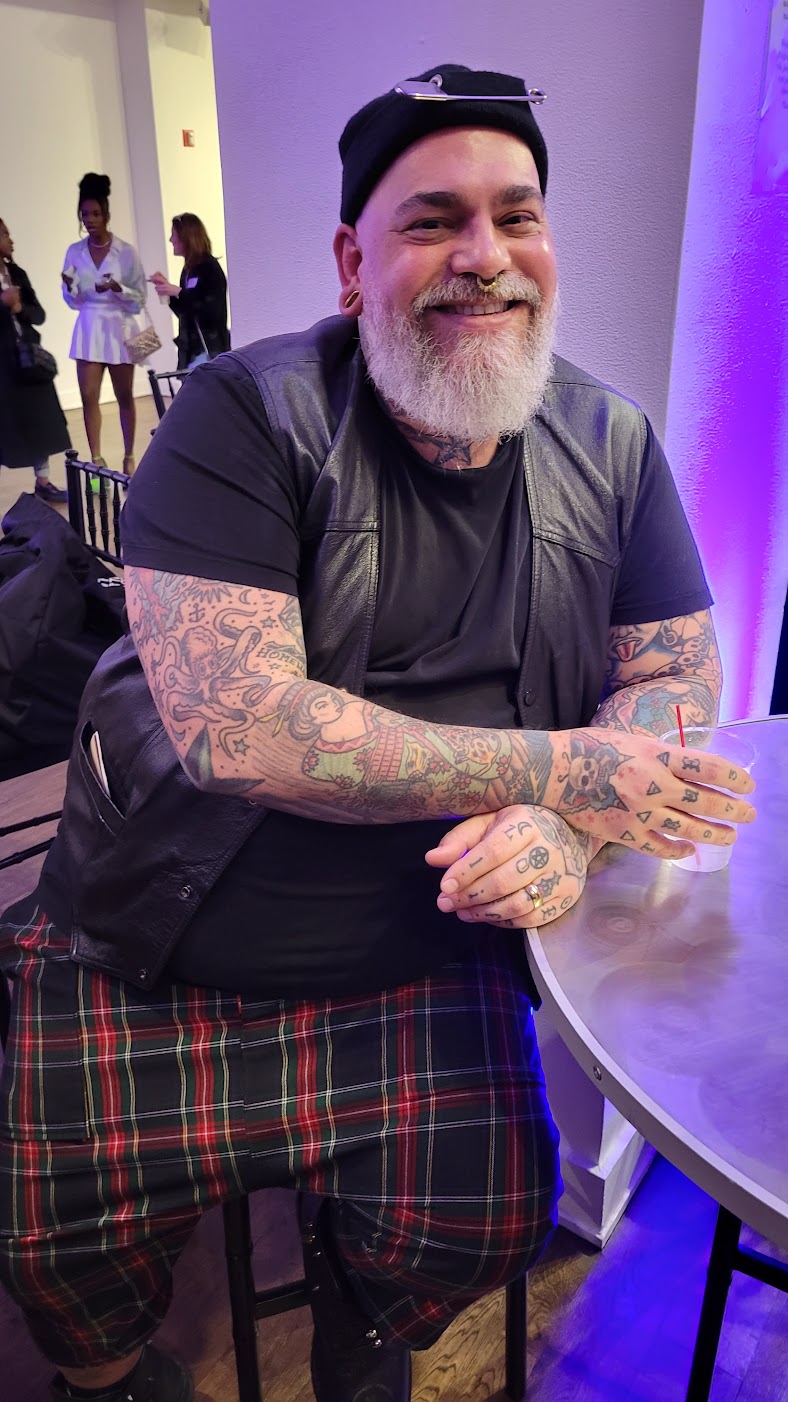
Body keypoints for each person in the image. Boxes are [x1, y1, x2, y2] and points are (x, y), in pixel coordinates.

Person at [0, 65, 757, 1402]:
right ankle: (113, 1379)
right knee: (50, 1250)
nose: (485, 256)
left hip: (424, 960)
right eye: (433, 220)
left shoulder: (612, 441)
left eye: (517, 216)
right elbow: (241, 728)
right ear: (354, 263)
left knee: (488, 1217)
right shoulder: (244, 413)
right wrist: (568, 769)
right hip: (153, 944)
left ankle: (367, 1308)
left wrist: (567, 827)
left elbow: (673, 678)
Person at [62, 173, 146, 475]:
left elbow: (140, 299)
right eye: (85, 215)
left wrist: (117, 288)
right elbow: (72, 300)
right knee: (88, 396)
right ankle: (96, 459)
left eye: (95, 214)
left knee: (124, 395)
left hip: (119, 326)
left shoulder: (126, 252)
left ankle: (129, 456)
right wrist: (70, 286)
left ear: (106, 214)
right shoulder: (75, 251)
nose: (90, 220)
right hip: (89, 327)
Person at [0, 219, 70, 502]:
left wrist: (18, 307)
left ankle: (43, 481)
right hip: (2, 364)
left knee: (40, 419)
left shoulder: (17, 274)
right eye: (5, 234)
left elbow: (39, 315)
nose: (11, 240)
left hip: (27, 359)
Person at [149, 213, 230, 369]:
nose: (171, 240)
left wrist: (178, 292)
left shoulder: (210, 268)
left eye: (174, 235)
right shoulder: (188, 270)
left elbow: (211, 311)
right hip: (191, 350)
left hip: (209, 349)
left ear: (186, 236)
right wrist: (169, 293)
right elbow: (186, 311)